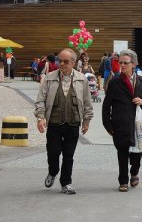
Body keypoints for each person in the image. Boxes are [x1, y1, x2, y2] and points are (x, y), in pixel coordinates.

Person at [34, 48, 93, 194]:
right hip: (54, 122)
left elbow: (87, 102)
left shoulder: (81, 79)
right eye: (59, 60)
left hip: (73, 122)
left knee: (68, 155)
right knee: (53, 152)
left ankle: (66, 183)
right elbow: (40, 100)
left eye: (65, 61)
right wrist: (40, 118)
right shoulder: (49, 77)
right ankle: (53, 171)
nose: (61, 64)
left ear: (73, 62)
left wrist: (86, 121)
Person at [102, 49, 142, 192]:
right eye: (120, 62)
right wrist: (108, 124)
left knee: (136, 154)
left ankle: (134, 172)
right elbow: (106, 105)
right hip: (120, 123)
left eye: (125, 63)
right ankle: (123, 180)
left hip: (138, 124)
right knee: (122, 153)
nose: (122, 65)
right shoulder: (115, 82)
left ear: (133, 64)